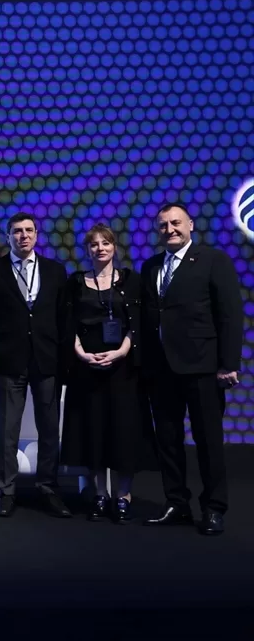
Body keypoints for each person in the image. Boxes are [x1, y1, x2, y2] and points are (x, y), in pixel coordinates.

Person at [140, 203, 242, 536]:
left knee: (208, 441)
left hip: (203, 367)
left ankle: (214, 508)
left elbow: (230, 315)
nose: (170, 229)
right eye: (163, 225)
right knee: (168, 442)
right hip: (161, 370)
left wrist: (229, 364)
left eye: (176, 223)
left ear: (191, 225)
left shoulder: (214, 260)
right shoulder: (151, 266)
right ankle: (176, 503)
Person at [60, 224, 155, 523]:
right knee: (93, 430)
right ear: (87, 250)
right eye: (94, 244)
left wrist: (122, 351)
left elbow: (138, 323)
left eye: (106, 243)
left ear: (115, 247)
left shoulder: (132, 280)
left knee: (124, 431)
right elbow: (67, 324)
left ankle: (123, 495)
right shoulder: (75, 282)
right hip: (86, 369)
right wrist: (81, 353)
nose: (100, 248)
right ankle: (100, 494)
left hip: (124, 369)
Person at [0, 212, 71, 518]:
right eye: (17, 231)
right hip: (8, 361)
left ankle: (48, 488)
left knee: (49, 430)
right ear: (8, 236)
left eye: (29, 230)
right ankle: (6, 492)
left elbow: (64, 319)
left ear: (36, 235)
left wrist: (65, 362)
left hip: (47, 360)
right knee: (7, 431)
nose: (24, 236)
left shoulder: (55, 271)